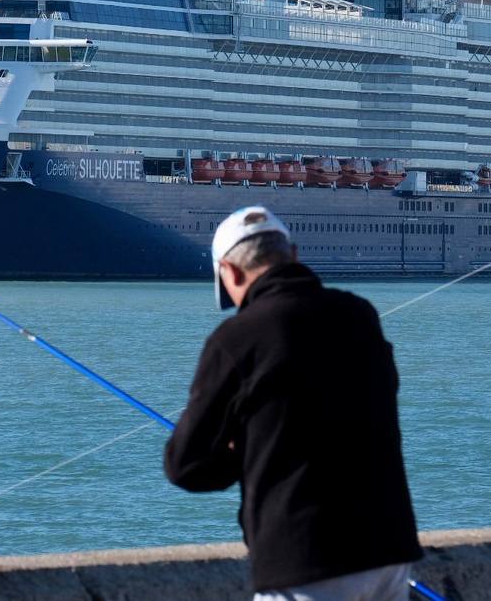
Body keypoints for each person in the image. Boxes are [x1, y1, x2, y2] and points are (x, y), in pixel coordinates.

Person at [164, 206, 422, 600]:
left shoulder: (236, 338)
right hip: (388, 551)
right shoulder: (359, 315)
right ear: (294, 255)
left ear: (230, 273)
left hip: (304, 557)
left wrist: (243, 453)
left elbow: (185, 465)